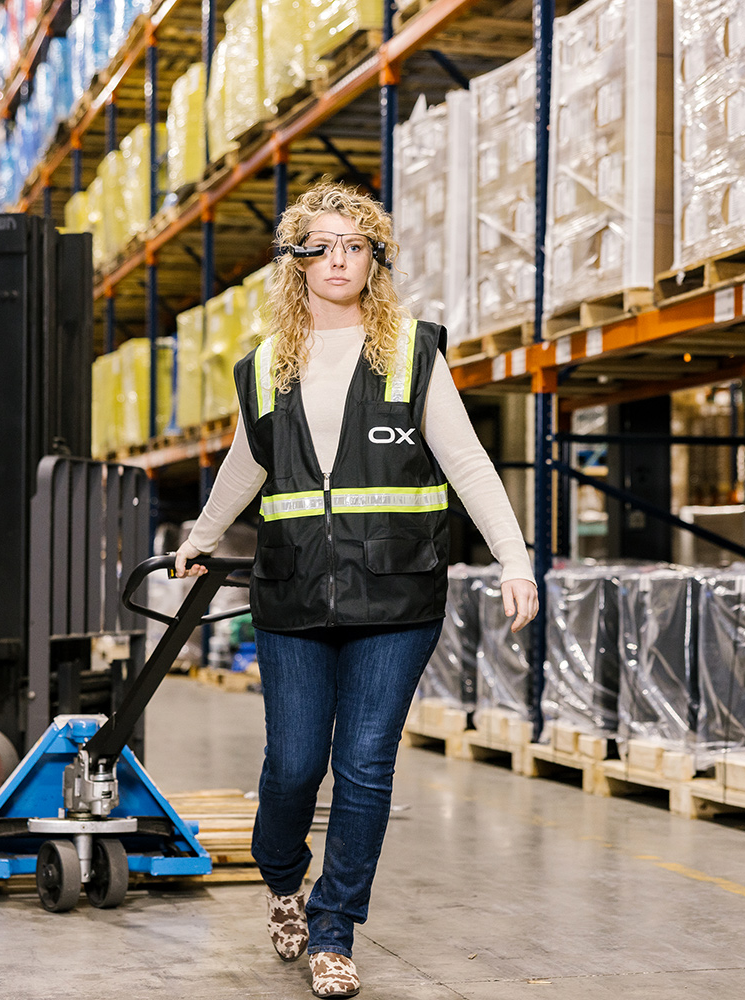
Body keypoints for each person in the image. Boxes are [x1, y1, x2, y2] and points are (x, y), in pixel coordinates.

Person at [175, 181, 537, 999]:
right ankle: (281, 879)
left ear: (374, 259)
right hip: (295, 592)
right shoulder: (266, 364)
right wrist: (197, 542)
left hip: (397, 597)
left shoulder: (412, 352)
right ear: (296, 259)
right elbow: (247, 465)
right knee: (295, 765)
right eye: (323, 245)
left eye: (355, 245)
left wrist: (515, 560)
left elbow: (468, 463)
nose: (339, 258)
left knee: (366, 764)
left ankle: (334, 931)